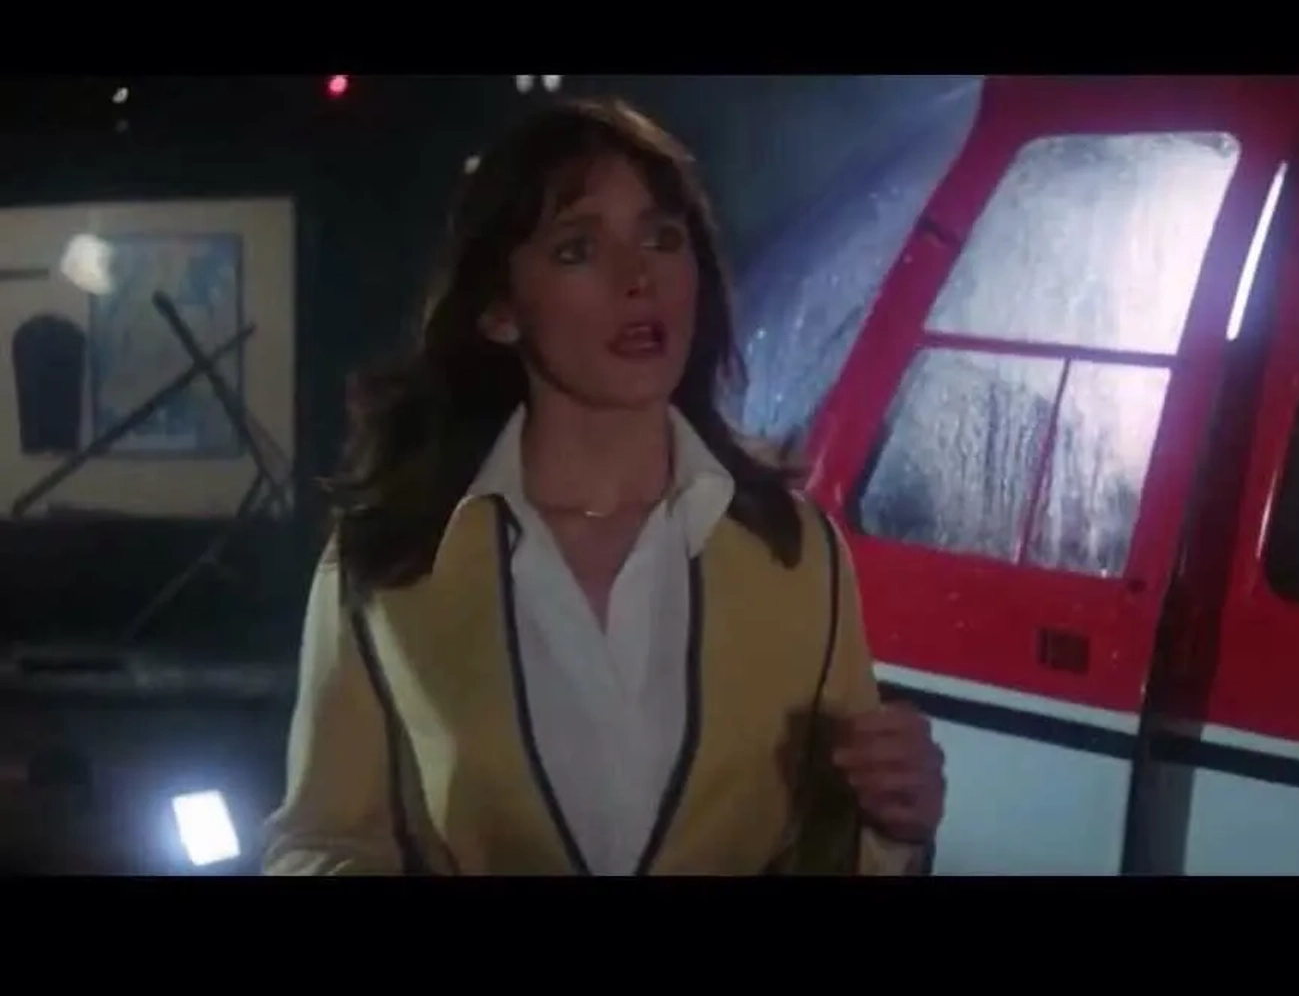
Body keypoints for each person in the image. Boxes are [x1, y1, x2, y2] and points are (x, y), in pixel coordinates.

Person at [261, 96, 945, 875]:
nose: (638, 277)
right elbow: (319, 842)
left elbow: (837, 851)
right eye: (577, 249)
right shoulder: (394, 558)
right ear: (499, 310)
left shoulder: (794, 553)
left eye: (662, 238)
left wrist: (894, 822)